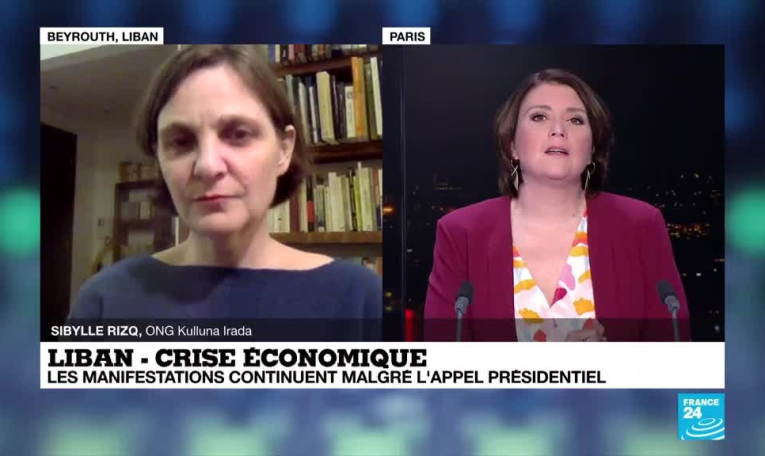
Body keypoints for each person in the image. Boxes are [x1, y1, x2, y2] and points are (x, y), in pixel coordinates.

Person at [68, 46, 381, 339]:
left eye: (238, 134)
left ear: (284, 150)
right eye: (181, 141)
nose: (207, 166)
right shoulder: (104, 302)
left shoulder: (361, 300)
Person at [424, 68, 691, 342]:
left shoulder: (640, 226)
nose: (558, 130)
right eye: (539, 117)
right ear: (511, 145)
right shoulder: (461, 234)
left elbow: (675, 354)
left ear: (592, 149)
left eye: (575, 120)